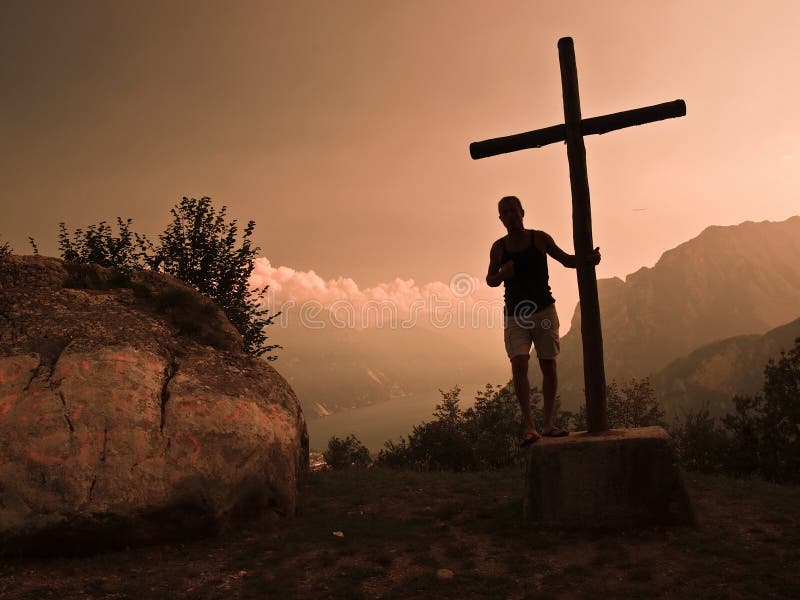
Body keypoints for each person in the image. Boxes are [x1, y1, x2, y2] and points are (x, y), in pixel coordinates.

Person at [486, 195, 600, 446]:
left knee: (548, 365)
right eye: (504, 213)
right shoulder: (498, 247)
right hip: (515, 315)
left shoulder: (539, 238)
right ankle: (530, 426)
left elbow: (566, 260)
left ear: (522, 211)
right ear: (500, 219)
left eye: (513, 210)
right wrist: (503, 274)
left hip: (544, 311)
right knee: (519, 365)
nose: (510, 216)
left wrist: (587, 260)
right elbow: (490, 279)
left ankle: (548, 423)